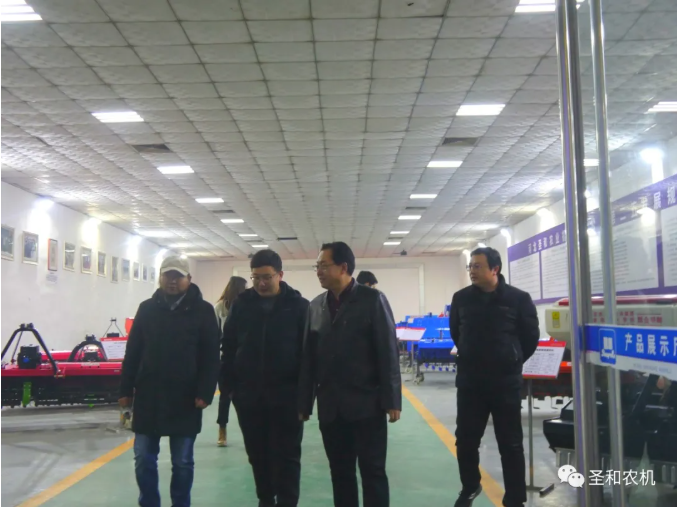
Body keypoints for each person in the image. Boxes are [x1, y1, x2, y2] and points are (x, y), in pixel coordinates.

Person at [299, 241, 402, 507]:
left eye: (324, 265)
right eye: (317, 266)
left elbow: (388, 351)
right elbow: (309, 358)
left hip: (367, 404)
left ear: (343, 267)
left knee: (373, 471)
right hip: (331, 407)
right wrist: (304, 403)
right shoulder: (316, 306)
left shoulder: (373, 300)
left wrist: (392, 399)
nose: (318, 271)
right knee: (340, 472)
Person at [119, 255, 220, 507]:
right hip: (149, 396)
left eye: (178, 276)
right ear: (160, 277)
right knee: (143, 458)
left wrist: (205, 392)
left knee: (182, 462)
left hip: (185, 398)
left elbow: (210, 357)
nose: (172, 281)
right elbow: (133, 352)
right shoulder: (147, 309)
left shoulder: (204, 311)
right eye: (168, 275)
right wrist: (125, 390)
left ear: (189, 279)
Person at [450, 247, 539, 507]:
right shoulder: (461, 299)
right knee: (466, 441)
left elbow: (530, 338)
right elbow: (457, 333)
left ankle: (515, 499)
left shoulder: (518, 299)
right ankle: (470, 486)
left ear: (495, 269)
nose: (472, 271)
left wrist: (511, 359)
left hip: (505, 384)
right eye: (470, 266)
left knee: (510, 444)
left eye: (477, 266)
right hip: (471, 383)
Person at [221, 249, 309, 507]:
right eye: (256, 277)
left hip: (288, 396)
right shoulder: (241, 304)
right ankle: (266, 500)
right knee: (257, 455)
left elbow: (308, 353)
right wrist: (229, 388)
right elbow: (228, 345)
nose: (261, 283)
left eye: (267, 277)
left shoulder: (299, 306)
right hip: (248, 396)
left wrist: (305, 396)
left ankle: (288, 502)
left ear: (280, 275)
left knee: (288, 456)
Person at [214, 275, 247, 447]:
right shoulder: (220, 308)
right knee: (225, 397)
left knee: (244, 398)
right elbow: (215, 333)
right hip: (226, 359)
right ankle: (222, 429)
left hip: (243, 360)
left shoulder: (247, 306)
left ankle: (247, 431)